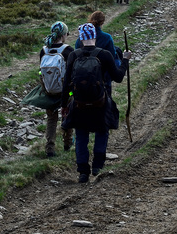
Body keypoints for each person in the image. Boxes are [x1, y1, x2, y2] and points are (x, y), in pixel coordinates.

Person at [62, 23, 131, 182]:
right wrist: (125, 60)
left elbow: (66, 84)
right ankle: (97, 166)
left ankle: (83, 172)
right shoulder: (105, 54)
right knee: (102, 131)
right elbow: (119, 77)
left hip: (78, 103)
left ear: (81, 38)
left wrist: (64, 105)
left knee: (81, 136)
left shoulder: (74, 55)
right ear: (94, 36)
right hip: (100, 102)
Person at [38, 22, 74, 157]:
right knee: (67, 115)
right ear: (63, 34)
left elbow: (41, 72)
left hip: (49, 91)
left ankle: (50, 148)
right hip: (66, 91)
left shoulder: (44, 50)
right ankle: (67, 143)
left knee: (51, 119)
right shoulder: (68, 50)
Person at [75, 11, 121, 95]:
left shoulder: (80, 40)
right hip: (103, 78)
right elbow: (112, 55)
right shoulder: (107, 38)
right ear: (102, 22)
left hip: (83, 77)